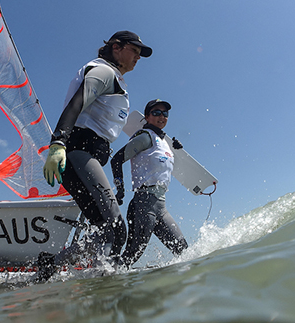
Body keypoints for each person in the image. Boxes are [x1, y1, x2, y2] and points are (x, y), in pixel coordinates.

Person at [37, 30, 153, 282]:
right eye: (134, 50)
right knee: (116, 230)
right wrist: (57, 143)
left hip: (85, 158)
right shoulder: (103, 72)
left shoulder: (117, 81)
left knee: (104, 230)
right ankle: (108, 286)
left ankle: (49, 267)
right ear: (116, 47)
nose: (138, 57)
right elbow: (76, 103)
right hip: (79, 153)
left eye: (140, 54)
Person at [111, 99, 188, 269]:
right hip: (144, 204)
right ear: (147, 116)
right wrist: (120, 190)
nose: (161, 116)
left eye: (165, 113)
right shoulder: (144, 137)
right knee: (132, 254)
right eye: (156, 113)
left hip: (161, 207)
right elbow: (116, 160)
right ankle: (103, 283)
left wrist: (176, 151)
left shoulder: (163, 143)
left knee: (183, 250)